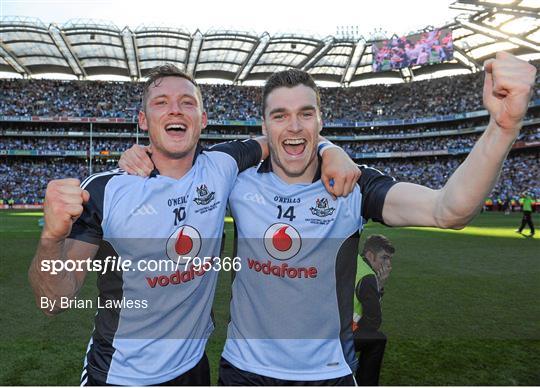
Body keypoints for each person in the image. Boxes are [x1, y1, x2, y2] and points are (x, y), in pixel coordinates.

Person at [119, 52, 536, 385]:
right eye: (280, 115)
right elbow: (177, 169)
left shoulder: (352, 185)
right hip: (243, 371)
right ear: (263, 127)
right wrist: (137, 156)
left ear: (321, 120)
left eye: (305, 113)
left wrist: (503, 126)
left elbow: (450, 210)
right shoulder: (237, 180)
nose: (294, 125)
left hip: (330, 374)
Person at [28, 64, 358, 386]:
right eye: (161, 103)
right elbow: (54, 302)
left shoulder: (222, 165)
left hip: (193, 370)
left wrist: (331, 150)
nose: (175, 111)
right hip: (117, 375)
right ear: (144, 120)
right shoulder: (105, 191)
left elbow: (283, 136)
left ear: (202, 119)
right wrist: (51, 238)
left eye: (187, 102)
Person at [353, 235, 395, 386]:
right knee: (378, 339)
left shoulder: (354, 260)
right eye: (384, 258)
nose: (388, 264)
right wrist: (380, 286)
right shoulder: (368, 276)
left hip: (320, 329)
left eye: (390, 259)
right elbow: (373, 323)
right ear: (370, 255)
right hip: (337, 337)